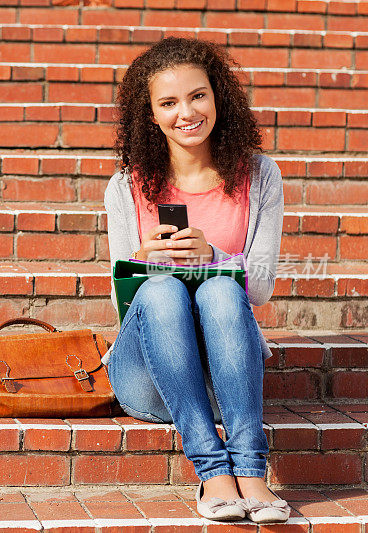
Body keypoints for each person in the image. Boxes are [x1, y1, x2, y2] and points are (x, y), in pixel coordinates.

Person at [104, 37, 290, 524]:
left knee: (222, 286)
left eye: (197, 95)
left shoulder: (260, 176)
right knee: (161, 289)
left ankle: (250, 470)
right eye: (168, 102)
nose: (186, 112)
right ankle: (214, 472)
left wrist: (215, 256)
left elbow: (263, 287)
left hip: (226, 376)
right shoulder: (127, 185)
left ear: (217, 97)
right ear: (150, 115)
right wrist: (142, 259)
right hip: (149, 378)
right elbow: (121, 304)